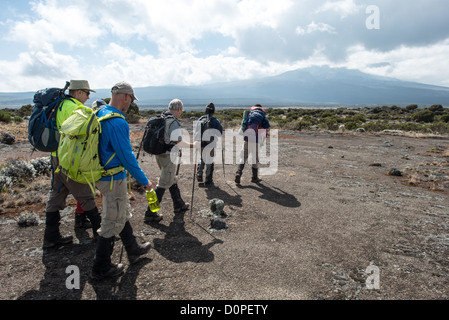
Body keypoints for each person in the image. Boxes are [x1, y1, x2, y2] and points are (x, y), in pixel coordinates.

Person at [92, 81, 155, 281]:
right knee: (111, 221)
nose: (130, 104)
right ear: (126, 97)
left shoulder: (99, 113)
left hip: (101, 175)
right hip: (113, 178)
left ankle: (133, 249)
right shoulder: (117, 121)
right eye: (131, 100)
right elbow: (127, 157)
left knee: (122, 211)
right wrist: (144, 181)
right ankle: (100, 267)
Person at [43, 80, 102, 249]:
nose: (88, 96)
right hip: (69, 158)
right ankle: (101, 235)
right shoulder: (75, 108)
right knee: (86, 194)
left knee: (56, 195)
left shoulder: (60, 105)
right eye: (86, 92)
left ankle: (51, 237)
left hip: (56, 156)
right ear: (77, 92)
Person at [144, 98, 200, 223]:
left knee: (171, 178)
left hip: (160, 154)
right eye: (181, 110)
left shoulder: (163, 118)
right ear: (179, 109)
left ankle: (179, 204)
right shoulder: (173, 121)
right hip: (168, 156)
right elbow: (178, 142)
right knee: (163, 183)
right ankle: (150, 213)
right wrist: (193, 145)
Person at [235, 104, 270, 185]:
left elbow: (244, 125)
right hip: (256, 140)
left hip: (247, 138)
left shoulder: (249, 114)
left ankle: (238, 173)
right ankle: (254, 178)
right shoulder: (263, 116)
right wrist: (262, 141)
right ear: (261, 109)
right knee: (255, 159)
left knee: (243, 157)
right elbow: (265, 129)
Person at [194, 102, 223, 186]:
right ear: (213, 111)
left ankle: (199, 174)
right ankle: (208, 180)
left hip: (200, 144)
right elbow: (219, 134)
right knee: (209, 161)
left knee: (202, 159)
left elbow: (196, 131)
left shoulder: (200, 119)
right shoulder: (215, 121)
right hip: (211, 144)